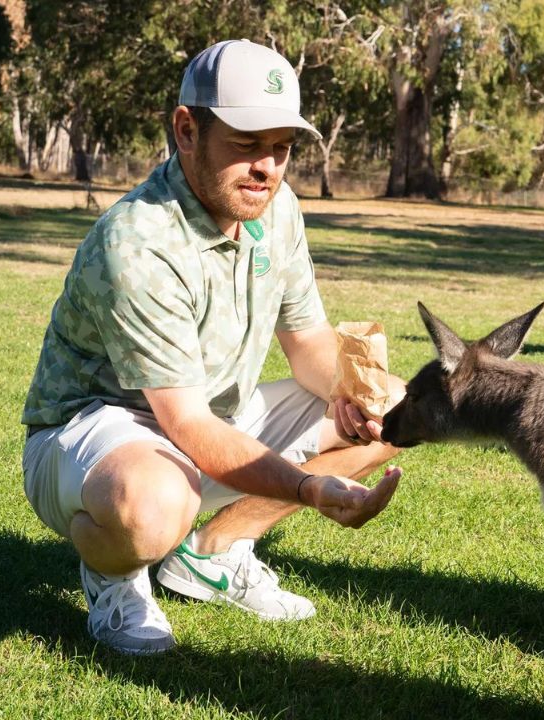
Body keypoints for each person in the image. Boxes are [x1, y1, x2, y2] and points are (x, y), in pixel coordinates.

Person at [20, 39, 402, 655]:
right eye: (247, 146)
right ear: (187, 130)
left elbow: (307, 344)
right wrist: (307, 488)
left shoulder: (278, 213)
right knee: (155, 504)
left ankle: (211, 554)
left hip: (208, 417)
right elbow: (186, 423)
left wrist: (358, 395)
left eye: (282, 149)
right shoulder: (138, 242)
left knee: (399, 409)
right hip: (92, 436)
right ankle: (116, 575)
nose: (268, 169)